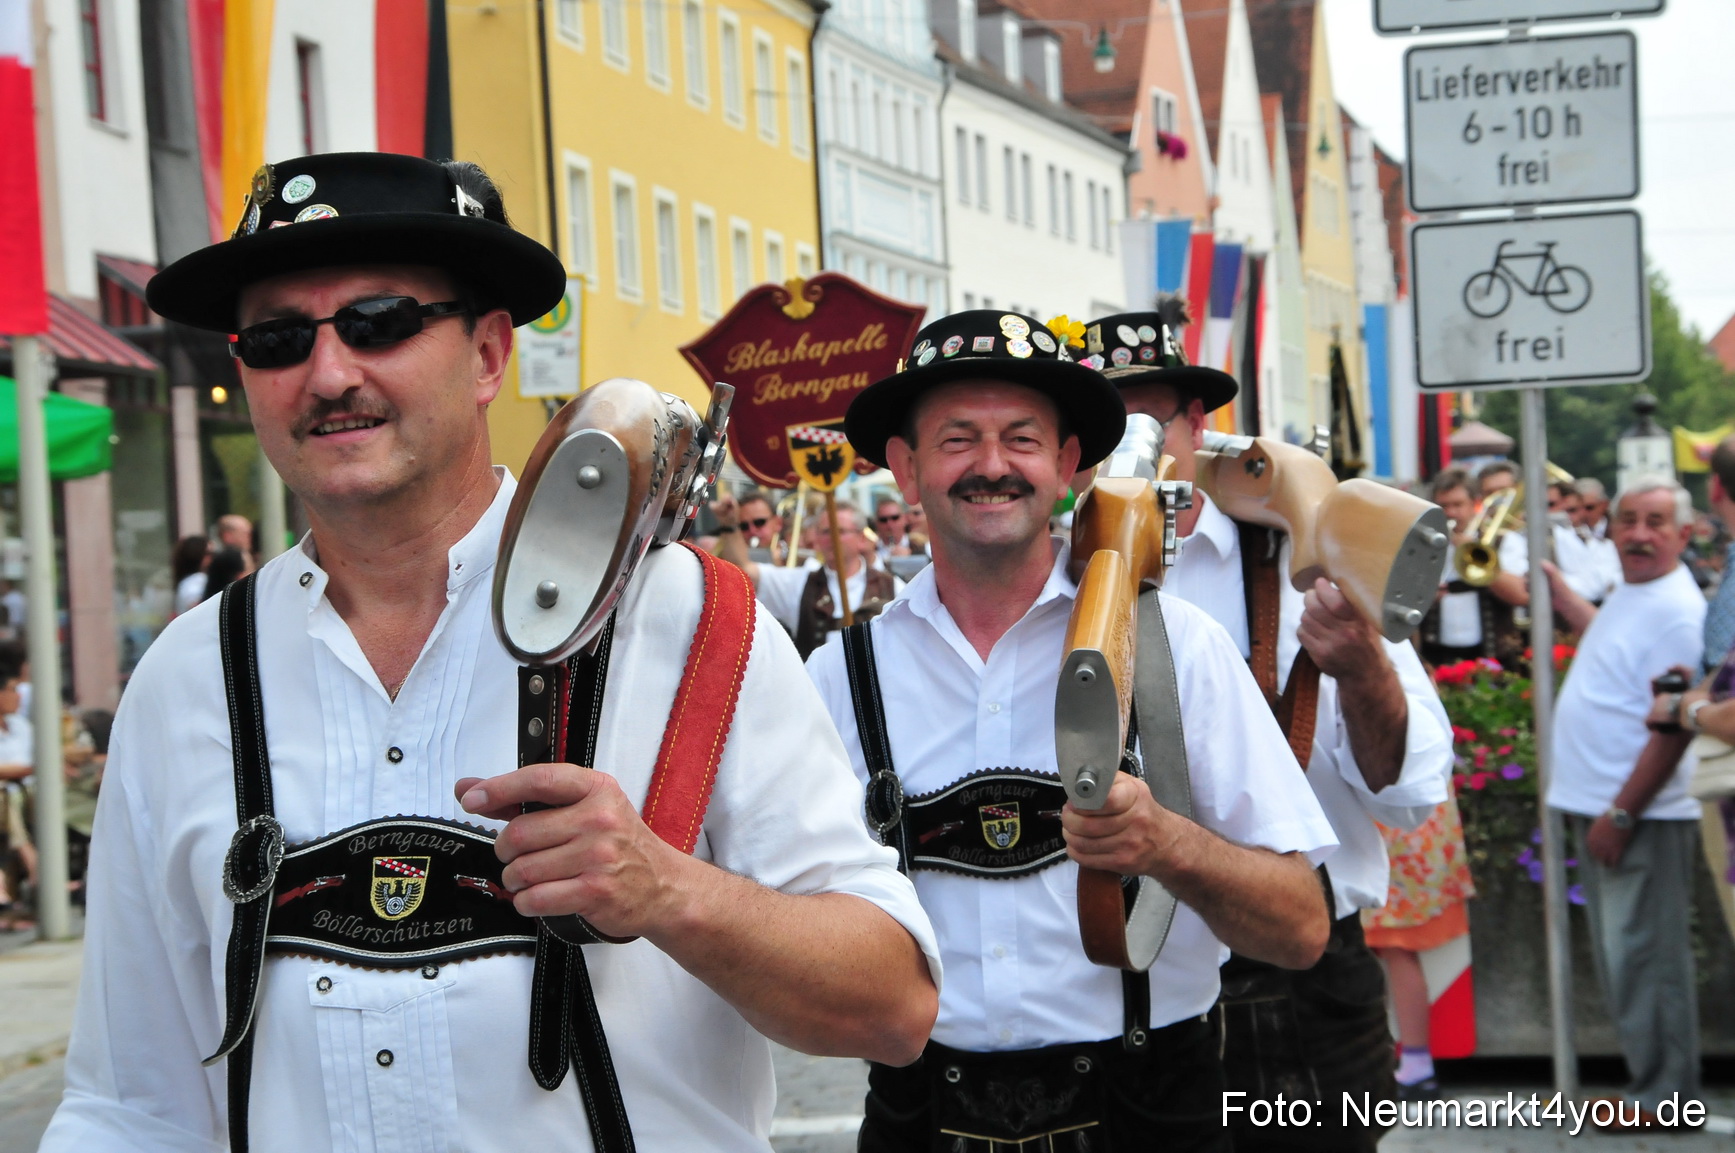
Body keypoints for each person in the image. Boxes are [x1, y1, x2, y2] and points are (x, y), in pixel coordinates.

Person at [41, 151, 939, 1153]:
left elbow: (892, 1006)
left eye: (379, 323)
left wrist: (668, 889)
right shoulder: (187, 677)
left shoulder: (687, 623)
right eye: (280, 338)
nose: (329, 374)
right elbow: (132, 1103)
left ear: (488, 355)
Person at [807, 309, 1339, 1152]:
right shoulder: (840, 675)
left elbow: (1302, 927)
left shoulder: (1173, 647)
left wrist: (1167, 842)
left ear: (1065, 464)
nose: (991, 465)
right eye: (957, 439)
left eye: (1021, 438)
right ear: (904, 469)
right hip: (918, 1116)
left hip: (1150, 1110)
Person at [1097, 308, 1451, 1148]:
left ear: (1199, 423)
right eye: (1103, 424)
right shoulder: (1050, 574)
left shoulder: (1299, 552)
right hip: (1112, 978)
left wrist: (1362, 668)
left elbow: (1409, 792)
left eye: (1147, 419)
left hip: (1296, 985)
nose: (1126, 446)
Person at [1544, 477, 1705, 1128]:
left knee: (1645, 957)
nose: (1638, 533)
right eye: (1628, 519)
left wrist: (1621, 812)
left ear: (1683, 535)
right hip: (1610, 806)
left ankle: (1666, 1097)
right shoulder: (1636, 591)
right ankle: (1654, 1088)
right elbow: (1617, 655)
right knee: (1627, 953)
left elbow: (1671, 726)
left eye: (1655, 522)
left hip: (1638, 813)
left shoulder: (1676, 608)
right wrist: (1563, 599)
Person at [713, 497, 902, 657]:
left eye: (840, 531)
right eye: (826, 532)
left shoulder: (893, 587)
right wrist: (729, 525)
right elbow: (744, 571)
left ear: (861, 538)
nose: (832, 539)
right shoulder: (800, 583)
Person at [1419, 468, 1527, 669]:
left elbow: (1520, 595)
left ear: (1475, 504)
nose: (1451, 513)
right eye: (1444, 506)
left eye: (1458, 504)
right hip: (1437, 656)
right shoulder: (1424, 547)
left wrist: (1470, 552)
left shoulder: (1504, 540)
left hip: (1493, 656)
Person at [0, 660, 32, 931]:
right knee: (7, 803)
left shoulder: (20, 725)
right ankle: (39, 873)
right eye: (11, 689)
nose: (18, 696)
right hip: (8, 798)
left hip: (27, 793)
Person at [735, 488, 787, 564]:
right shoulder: (733, 556)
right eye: (744, 526)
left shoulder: (793, 556)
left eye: (759, 522)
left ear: (778, 523)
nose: (752, 530)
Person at [171, 535, 213, 615]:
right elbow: (198, 608)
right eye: (209, 553)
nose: (213, 557)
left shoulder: (186, 582)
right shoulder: (197, 580)